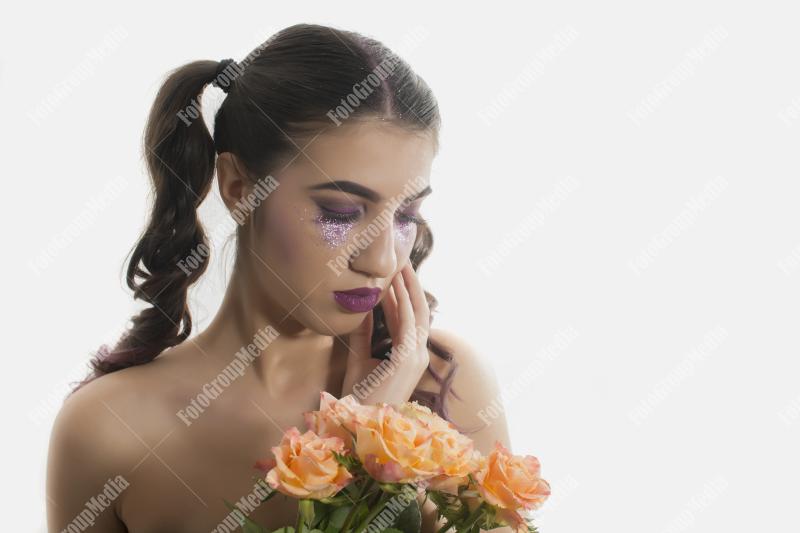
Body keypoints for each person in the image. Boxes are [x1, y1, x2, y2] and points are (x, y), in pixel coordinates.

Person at [46, 23, 512, 532]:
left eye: (405, 216)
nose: (381, 260)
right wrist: (360, 436)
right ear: (239, 186)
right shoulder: (110, 430)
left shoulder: (447, 383)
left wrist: (385, 433)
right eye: (339, 211)